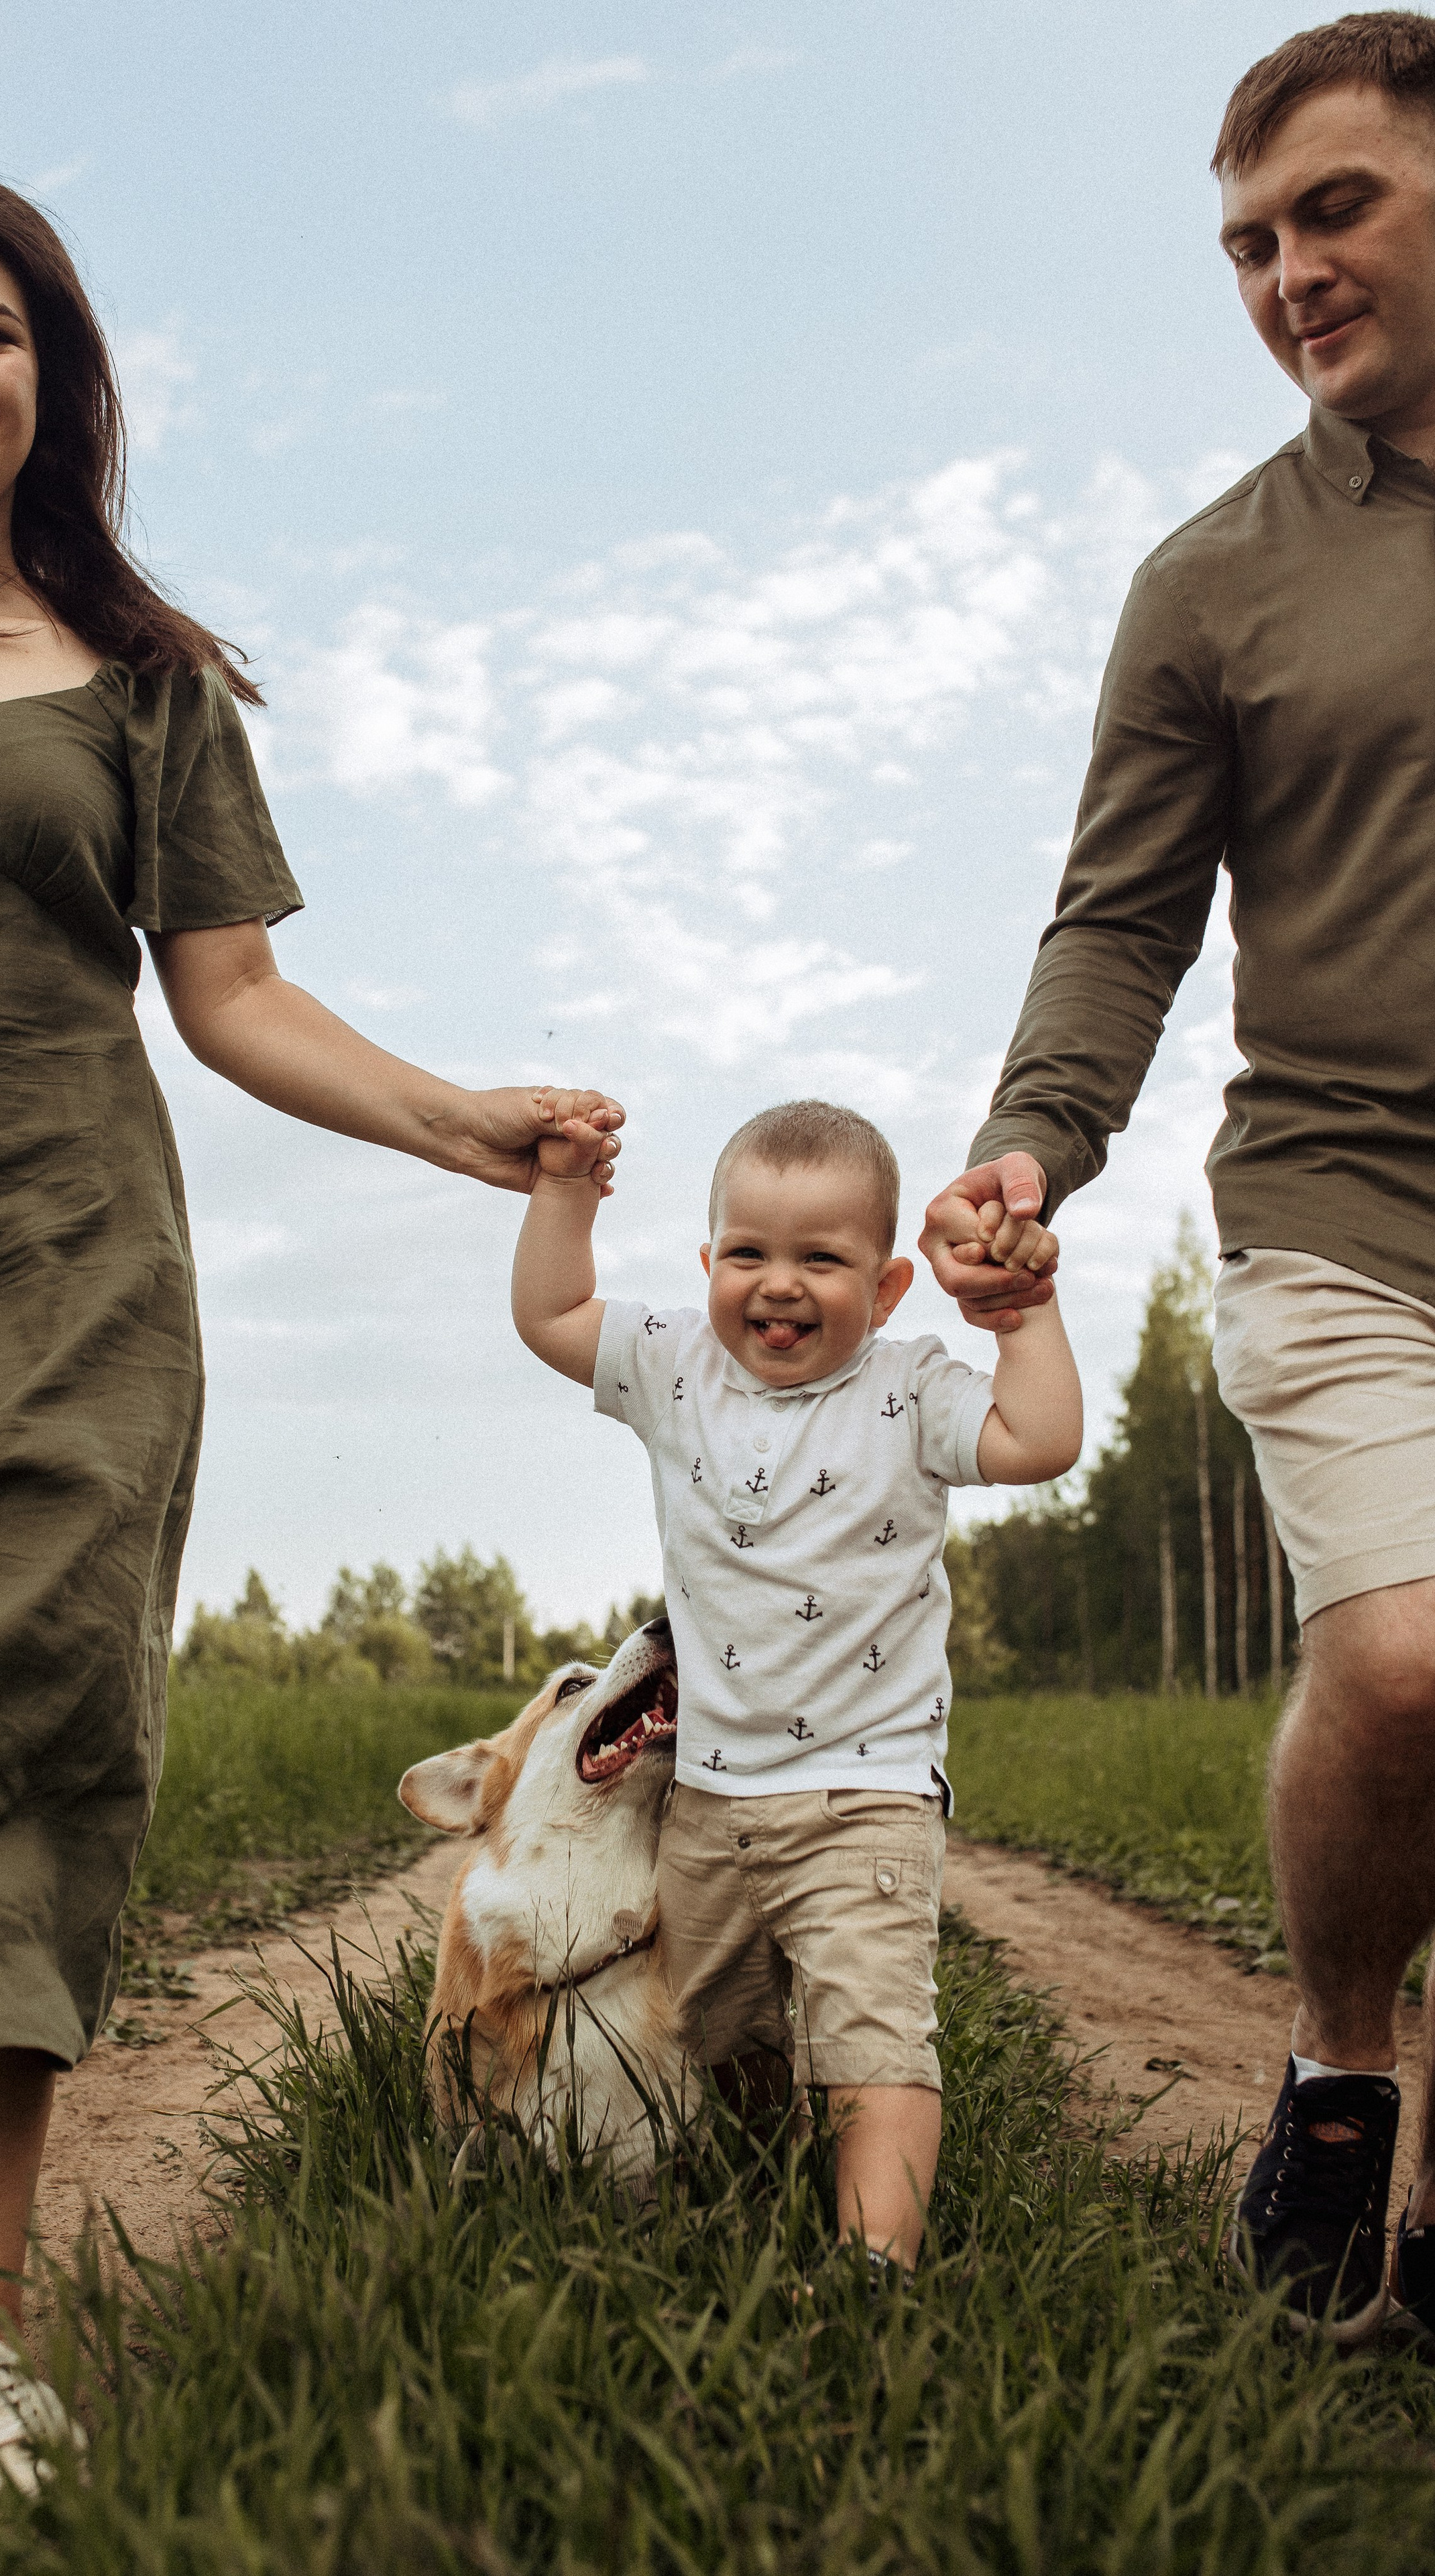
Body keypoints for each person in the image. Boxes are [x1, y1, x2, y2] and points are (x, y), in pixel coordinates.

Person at [0, 163, 623, 2491]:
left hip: (55, 1279)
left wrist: (458, 1118)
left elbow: (232, 996)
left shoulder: (143, 679)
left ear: (55, 379)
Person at [918, 12, 1435, 2345]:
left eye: (1335, 209)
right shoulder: (1216, 579)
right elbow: (1123, 919)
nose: (1287, 272)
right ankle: (1337, 2064)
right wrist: (1033, 1140)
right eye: (1246, 242)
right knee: (1409, 1668)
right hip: (1346, 1198)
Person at [513, 1097, 1081, 2268]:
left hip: (867, 1794)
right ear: (707, 1264)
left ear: (886, 1287)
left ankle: (875, 2269)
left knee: (872, 2041)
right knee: (718, 2032)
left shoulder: (910, 1389)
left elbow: (1041, 1438)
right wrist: (565, 1190)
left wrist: (1020, 1311)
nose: (779, 1284)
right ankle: (765, 2191)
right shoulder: (674, 1364)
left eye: (821, 1258)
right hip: (711, 1797)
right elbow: (551, 1313)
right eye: (748, 1253)